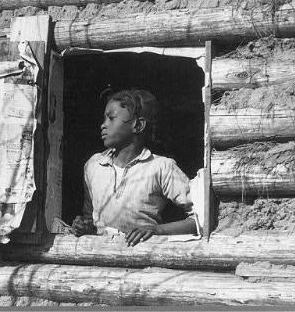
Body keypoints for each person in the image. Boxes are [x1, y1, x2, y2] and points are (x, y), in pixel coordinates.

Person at [72, 89, 200, 247]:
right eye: (104, 118)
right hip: (100, 258)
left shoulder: (161, 167)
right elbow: (90, 216)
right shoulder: (94, 165)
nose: (103, 125)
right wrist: (84, 226)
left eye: (111, 118)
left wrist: (157, 230)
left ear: (138, 125)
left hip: (141, 259)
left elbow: (201, 218)